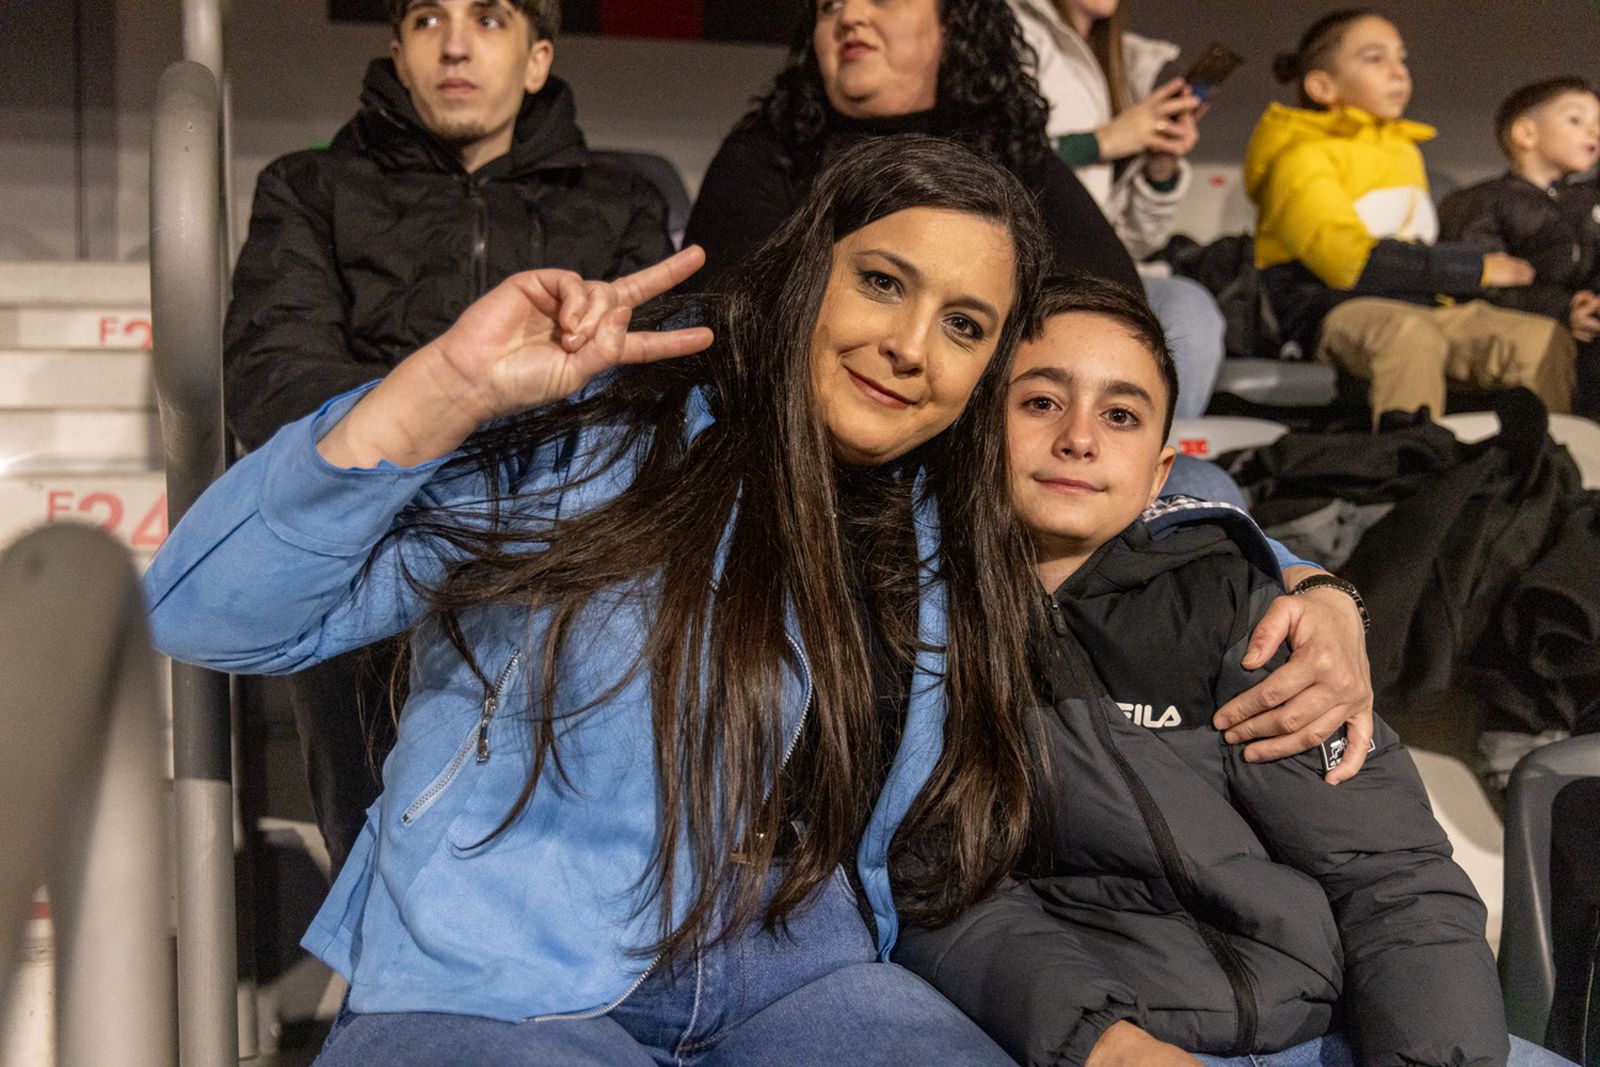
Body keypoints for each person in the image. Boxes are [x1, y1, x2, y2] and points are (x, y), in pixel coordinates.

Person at [147, 135, 1371, 1064]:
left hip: (797, 958)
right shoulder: (599, 441)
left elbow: (1156, 479)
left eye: (963, 325)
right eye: (882, 283)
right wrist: (442, 391)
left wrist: (1310, 583)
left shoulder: (947, 506)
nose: (910, 347)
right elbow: (205, 613)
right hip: (501, 969)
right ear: (803, 275)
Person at [896, 275, 1576, 1067]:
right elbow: (941, 893)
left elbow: (1392, 876)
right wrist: (1102, 1043)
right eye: (1041, 402)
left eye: (1120, 414)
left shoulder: (1239, 608)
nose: (1079, 437)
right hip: (1090, 1035)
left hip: (1329, 1029)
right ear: (976, 428)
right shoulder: (919, 624)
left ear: (1159, 474)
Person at [223, 0, 674, 869]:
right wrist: (459, 442)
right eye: (428, 19)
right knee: (385, 837)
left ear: (537, 57)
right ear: (396, 51)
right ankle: (389, 964)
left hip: (564, 553)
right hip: (378, 543)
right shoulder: (309, 188)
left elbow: (645, 400)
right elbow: (277, 380)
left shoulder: (620, 202)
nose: (457, 43)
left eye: (490, 18)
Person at [1245, 9, 1576, 424]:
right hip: (1334, 307)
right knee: (1408, 336)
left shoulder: (1403, 152)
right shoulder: (1300, 157)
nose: (1397, 72)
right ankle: (1411, 472)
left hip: (1424, 303)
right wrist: (1476, 268)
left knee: (1538, 338)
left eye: (1401, 58)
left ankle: (1547, 477)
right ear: (1322, 85)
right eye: (1374, 58)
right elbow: (1346, 263)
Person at [681, 0, 1143, 295]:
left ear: (952, 22)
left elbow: (1110, 300)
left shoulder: (1012, 153)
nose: (850, 16)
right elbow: (725, 317)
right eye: (829, 6)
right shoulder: (766, 153)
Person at [1009, 0, 1226, 417]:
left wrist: (1159, 169)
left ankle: (1152, 459)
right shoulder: (1007, 27)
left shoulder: (1123, 59)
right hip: (1032, 262)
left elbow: (1133, 241)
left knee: (1189, 309)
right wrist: (1105, 141)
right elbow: (998, 154)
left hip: (1100, 269)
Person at [1439, 77, 1600, 417]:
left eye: (1598, 123)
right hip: (1532, 323)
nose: (1593, 132)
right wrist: (1562, 307)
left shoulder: (1585, 203)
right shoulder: (1482, 201)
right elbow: (1479, 284)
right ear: (1526, 133)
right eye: (1575, 120)